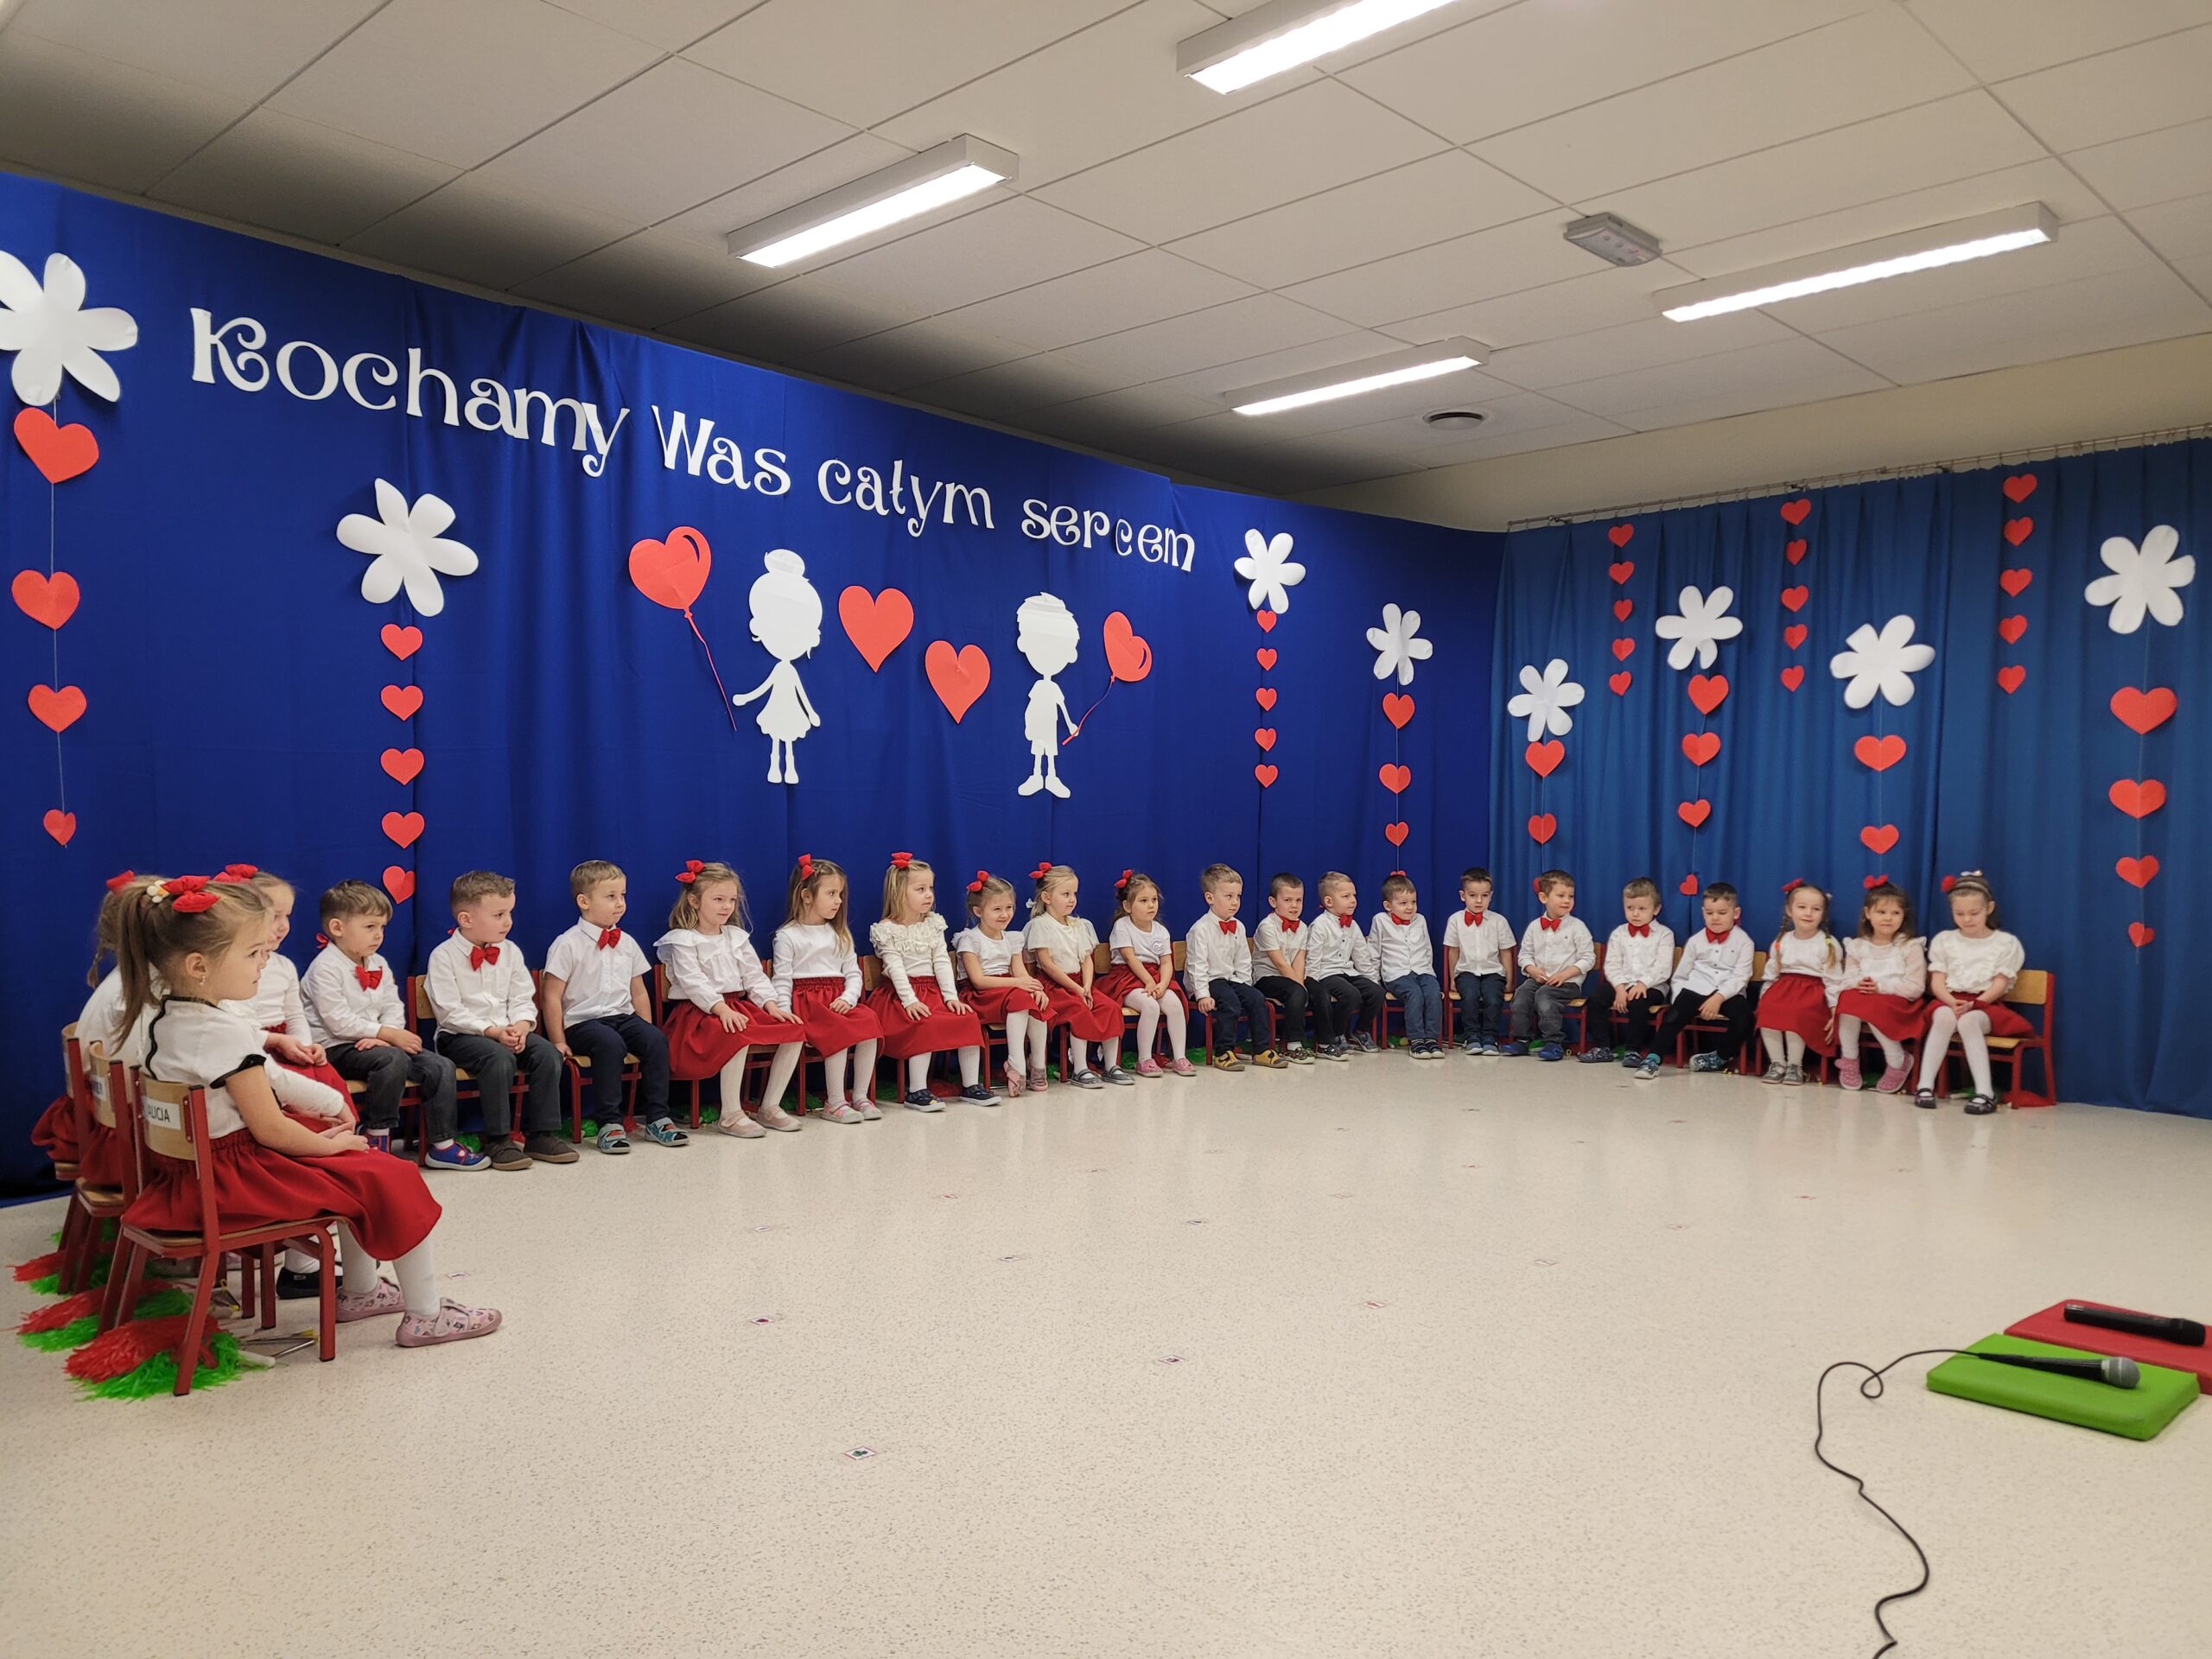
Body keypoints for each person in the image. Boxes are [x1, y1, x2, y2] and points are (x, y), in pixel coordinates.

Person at [115, 873, 498, 1349]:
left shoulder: (169, 1019)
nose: (264, 961)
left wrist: (328, 1111)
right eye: (252, 953)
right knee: (391, 1175)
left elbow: (271, 1081)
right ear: (199, 966)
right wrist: (327, 1145)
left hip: (193, 1178)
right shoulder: (223, 1032)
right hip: (234, 1184)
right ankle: (426, 1315)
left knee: (360, 1168)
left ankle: (361, 1291)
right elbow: (272, 1130)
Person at [302, 880, 480, 1170]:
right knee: (391, 1060)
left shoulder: (379, 963)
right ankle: (376, 1135)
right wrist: (385, 1034)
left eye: (382, 927)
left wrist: (388, 1035)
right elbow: (338, 1021)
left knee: (440, 1066)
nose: (378, 935)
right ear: (337, 928)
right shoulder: (324, 968)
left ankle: (442, 1144)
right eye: (370, 927)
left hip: (380, 1044)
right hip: (336, 1047)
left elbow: (392, 1006)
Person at [424, 870, 574, 1170]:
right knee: (498, 1058)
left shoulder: (510, 952)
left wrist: (521, 1026)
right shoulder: (443, 957)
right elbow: (450, 1012)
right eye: (499, 915)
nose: (508, 922)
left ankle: (541, 1135)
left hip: (507, 1030)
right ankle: (498, 1139)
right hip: (461, 1035)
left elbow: (522, 997)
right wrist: (493, 1032)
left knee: (547, 1054)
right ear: (466, 919)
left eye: (509, 913)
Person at [655, 859, 806, 1136]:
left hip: (737, 1005)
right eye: (718, 899)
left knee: (794, 1030)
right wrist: (721, 1009)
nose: (727, 906)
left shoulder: (736, 937)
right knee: (737, 1033)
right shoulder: (682, 940)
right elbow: (693, 982)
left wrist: (771, 1006)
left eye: (732, 900)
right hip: (700, 1013)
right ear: (694, 901)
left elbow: (754, 976)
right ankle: (731, 1114)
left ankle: (769, 1106)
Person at [543, 860, 684, 1153]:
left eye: (622, 895)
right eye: (610, 896)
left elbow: (638, 992)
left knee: (656, 1040)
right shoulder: (567, 944)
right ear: (584, 902)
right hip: (583, 1022)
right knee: (609, 1044)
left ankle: (657, 1117)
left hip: (622, 1017)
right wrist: (558, 1040)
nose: (620, 903)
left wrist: (645, 1027)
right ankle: (609, 1122)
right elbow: (551, 996)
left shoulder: (627, 943)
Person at [40, 870, 160, 1185]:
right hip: (128, 1138)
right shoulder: (142, 996)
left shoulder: (125, 983)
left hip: (105, 1118)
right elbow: (152, 1078)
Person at [865, 855, 991, 1110]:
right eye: (920, 889)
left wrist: (951, 998)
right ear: (900, 893)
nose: (929, 895)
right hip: (900, 997)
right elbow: (895, 968)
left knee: (967, 1017)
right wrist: (910, 1001)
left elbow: (942, 962)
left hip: (933, 992)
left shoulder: (933, 924)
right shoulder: (887, 929)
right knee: (924, 1022)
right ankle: (917, 1090)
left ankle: (970, 1086)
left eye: (930, 888)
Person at [772, 854, 883, 1123]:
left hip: (838, 1000)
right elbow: (782, 980)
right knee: (839, 1029)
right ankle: (834, 1102)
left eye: (840, 894)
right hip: (809, 1005)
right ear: (807, 896)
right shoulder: (787, 936)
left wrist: (848, 998)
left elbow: (853, 974)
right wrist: (785, 1014)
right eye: (831, 893)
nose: (839, 901)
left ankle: (860, 1096)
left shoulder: (839, 934)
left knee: (869, 1022)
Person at [1915, 872, 2028, 1115]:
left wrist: (1975, 1004)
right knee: (1943, 1017)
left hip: (1986, 1005)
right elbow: (1937, 982)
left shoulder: (2005, 943)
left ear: (1989, 908)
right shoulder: (1945, 940)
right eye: (1959, 914)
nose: (1966, 919)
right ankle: (1924, 1086)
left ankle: (1984, 1092)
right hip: (1950, 1000)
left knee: (1968, 1021)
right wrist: (1951, 1001)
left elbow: (1999, 984)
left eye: (1974, 913)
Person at [1024, 862, 1127, 1086]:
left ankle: (1111, 1065)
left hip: (1081, 984)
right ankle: (1080, 1068)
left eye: (1074, 894)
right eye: (1066, 894)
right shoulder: (1040, 925)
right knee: (1078, 1010)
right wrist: (1078, 990)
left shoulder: (1080, 925)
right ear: (1047, 898)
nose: (1072, 899)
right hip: (1054, 987)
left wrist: (1087, 987)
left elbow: (1086, 959)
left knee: (1110, 1008)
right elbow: (1047, 965)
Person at [955, 873, 1053, 1096]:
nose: (1005, 914)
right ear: (978, 912)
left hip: (1009, 993)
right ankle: (1016, 1065)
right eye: (997, 909)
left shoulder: (1012, 939)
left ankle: (1037, 1064)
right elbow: (979, 981)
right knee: (1020, 998)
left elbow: (1021, 975)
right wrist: (1019, 983)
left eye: (1009, 908)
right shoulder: (970, 939)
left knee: (1035, 1001)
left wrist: (1036, 989)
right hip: (981, 996)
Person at [1099, 871, 1195, 1077]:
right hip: (1127, 978)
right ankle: (1144, 1059)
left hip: (1155, 977)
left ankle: (1179, 1057)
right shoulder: (1122, 926)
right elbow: (1129, 958)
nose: (1151, 905)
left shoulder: (1161, 931)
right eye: (1143, 901)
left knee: (1175, 1004)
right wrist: (1149, 981)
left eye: (1154, 900)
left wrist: (1162, 984)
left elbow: (1166, 962)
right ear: (1127, 906)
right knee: (1150, 1006)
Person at [1185, 863, 1279, 1071]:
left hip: (1231, 980)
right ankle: (1223, 1052)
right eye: (1229, 896)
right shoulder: (1200, 929)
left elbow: (1243, 961)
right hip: (1209, 982)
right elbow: (1197, 966)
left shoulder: (1239, 926)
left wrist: (1245, 986)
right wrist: (1202, 995)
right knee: (1230, 1002)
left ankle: (1261, 1049)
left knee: (1256, 998)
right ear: (1210, 898)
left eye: (1238, 896)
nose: (1235, 902)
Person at [1654, 882, 1756, 1074]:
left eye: (1722, 913)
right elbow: (1681, 976)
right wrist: (1680, 1002)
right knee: (1673, 1016)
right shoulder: (1695, 941)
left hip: (1728, 993)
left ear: (1736, 913)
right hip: (1696, 988)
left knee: (1745, 1018)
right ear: (1703, 913)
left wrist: (1718, 998)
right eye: (1709, 913)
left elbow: (1741, 977)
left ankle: (1720, 1057)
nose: (1715, 918)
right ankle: (1653, 1058)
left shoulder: (1744, 942)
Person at [1835, 882, 1927, 1094]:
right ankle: (1849, 1059)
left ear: (1904, 916)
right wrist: (1859, 983)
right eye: (1882, 912)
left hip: (1898, 1003)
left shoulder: (1910, 946)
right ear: (1868, 913)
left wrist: (1882, 987)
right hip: (1866, 999)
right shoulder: (1858, 946)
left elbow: (1916, 987)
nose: (1888, 918)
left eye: (1895, 913)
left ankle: (1898, 1060)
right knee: (1848, 999)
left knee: (1874, 1006)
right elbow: (1847, 980)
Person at [1757, 880, 1846, 1085]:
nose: (1808, 913)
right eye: (1802, 907)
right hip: (1783, 988)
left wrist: (1835, 1009)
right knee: (1768, 1010)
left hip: (1812, 993)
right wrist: (1764, 998)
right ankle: (1777, 1063)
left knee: (1795, 1013)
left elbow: (1834, 981)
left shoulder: (1828, 944)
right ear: (1789, 911)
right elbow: (1771, 975)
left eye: (1816, 909)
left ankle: (1795, 1065)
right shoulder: (1781, 941)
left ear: (1823, 914)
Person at [1584, 876, 1674, 1077]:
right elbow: (1612, 964)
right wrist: (1619, 988)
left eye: (1642, 909)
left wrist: (1643, 984)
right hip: (1622, 983)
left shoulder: (1664, 934)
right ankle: (1603, 1046)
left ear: (1656, 909)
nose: (1635, 913)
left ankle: (1633, 1050)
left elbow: (1663, 967)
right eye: (1630, 908)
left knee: (1639, 1002)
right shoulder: (1619, 933)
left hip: (1653, 985)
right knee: (1596, 999)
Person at [1505, 868, 1593, 1062]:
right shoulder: (1534, 927)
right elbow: (1524, 955)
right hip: (1539, 980)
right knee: (1521, 996)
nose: (1567, 901)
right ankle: (1522, 1039)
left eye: (1571, 896)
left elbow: (1588, 958)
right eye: (1561, 896)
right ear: (1543, 897)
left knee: (1544, 996)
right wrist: (1532, 970)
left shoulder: (1577, 927)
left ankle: (1554, 1043)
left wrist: (1565, 974)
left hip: (1568, 983)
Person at [1307, 872, 1382, 1057]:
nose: (1353, 900)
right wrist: (1312, 984)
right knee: (1351, 995)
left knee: (1377, 992)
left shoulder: (1353, 925)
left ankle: (1360, 1031)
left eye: (1354, 895)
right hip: (1326, 973)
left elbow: (1362, 958)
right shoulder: (1320, 925)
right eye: (1346, 896)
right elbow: (1313, 959)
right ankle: (1337, 1034)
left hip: (1348, 972)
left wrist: (1372, 980)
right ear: (1329, 901)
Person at [1443, 866, 1515, 1056]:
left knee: (1493, 998)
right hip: (1466, 971)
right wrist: (1452, 978)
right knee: (1470, 996)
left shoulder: (1499, 921)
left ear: (1491, 896)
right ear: (1463, 896)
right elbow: (1453, 951)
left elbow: (1506, 952)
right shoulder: (1455, 920)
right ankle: (1472, 1036)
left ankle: (1490, 1037)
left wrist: (1509, 980)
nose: (1479, 901)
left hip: (1493, 972)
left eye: (1484, 896)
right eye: (1473, 895)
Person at [1370, 872, 1443, 1058]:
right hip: (1396, 974)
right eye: (1403, 903)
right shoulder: (1380, 920)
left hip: (1422, 970)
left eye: (1413, 902)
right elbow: (1374, 951)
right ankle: (1417, 1040)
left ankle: (1432, 1039)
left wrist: (1428, 972)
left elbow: (1427, 948)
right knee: (1414, 994)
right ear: (1388, 906)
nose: (1410, 907)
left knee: (1433, 993)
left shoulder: (1420, 920)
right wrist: (1374, 980)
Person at [1250, 873, 1317, 1064]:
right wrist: (1300, 988)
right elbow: (1280, 963)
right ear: (1273, 902)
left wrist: (1302, 985)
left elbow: (1299, 959)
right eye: (1288, 900)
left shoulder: (1302, 927)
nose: (1294, 906)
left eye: (1298, 900)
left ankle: (1325, 1041)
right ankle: (1293, 1045)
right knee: (1296, 991)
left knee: (1319, 990)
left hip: (1291, 976)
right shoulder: (1267, 926)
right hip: (1267, 977)